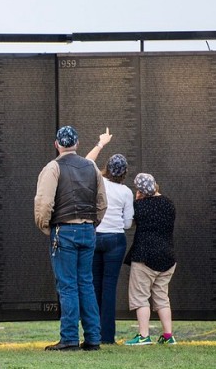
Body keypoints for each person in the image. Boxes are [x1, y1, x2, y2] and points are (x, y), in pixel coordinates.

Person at [34, 125, 107, 351]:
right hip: (87, 230)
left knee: (67, 286)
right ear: (76, 144)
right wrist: (92, 224)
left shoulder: (53, 167)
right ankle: (93, 338)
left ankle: (69, 339)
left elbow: (44, 203)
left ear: (57, 144)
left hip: (64, 230)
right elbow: (102, 203)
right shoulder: (91, 167)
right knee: (86, 283)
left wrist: (46, 226)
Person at [84, 128, 134, 344]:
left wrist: (101, 143)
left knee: (94, 286)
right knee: (109, 288)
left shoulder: (99, 182)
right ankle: (107, 336)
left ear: (107, 168)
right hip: (115, 240)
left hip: (96, 236)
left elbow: (87, 161)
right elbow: (127, 223)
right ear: (124, 172)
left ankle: (92, 334)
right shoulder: (126, 192)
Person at [123, 173, 177, 345]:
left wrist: (138, 199)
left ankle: (143, 335)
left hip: (144, 257)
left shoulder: (139, 207)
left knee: (140, 297)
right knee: (162, 297)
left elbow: (129, 222)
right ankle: (168, 336)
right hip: (168, 257)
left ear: (140, 191)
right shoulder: (169, 204)